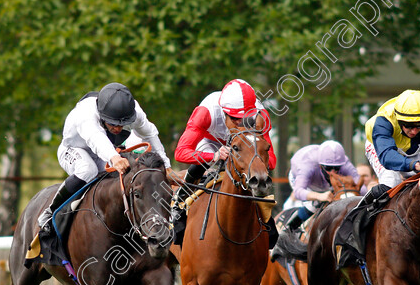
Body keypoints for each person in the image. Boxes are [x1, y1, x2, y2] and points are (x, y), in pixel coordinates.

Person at [36, 82, 171, 233]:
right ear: (101, 115)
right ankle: (50, 212)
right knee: (88, 170)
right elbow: (96, 139)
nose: (118, 128)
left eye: (122, 124)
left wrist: (166, 166)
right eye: (113, 123)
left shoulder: (134, 112)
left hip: (105, 152)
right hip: (74, 150)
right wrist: (114, 157)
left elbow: (150, 134)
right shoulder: (85, 113)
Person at [171, 79, 277, 241]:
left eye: (246, 118)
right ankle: (179, 206)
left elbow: (271, 162)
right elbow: (181, 153)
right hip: (209, 144)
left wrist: (255, 158)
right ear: (223, 112)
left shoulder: (261, 116)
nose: (241, 124)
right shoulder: (206, 112)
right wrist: (213, 156)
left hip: (243, 149)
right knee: (202, 165)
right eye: (235, 119)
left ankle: (267, 218)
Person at [360, 89, 420, 206]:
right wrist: (413, 164)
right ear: (399, 119)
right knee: (392, 181)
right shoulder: (384, 121)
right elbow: (387, 156)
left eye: (419, 126)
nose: (414, 131)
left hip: (413, 148)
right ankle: (360, 214)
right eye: (408, 125)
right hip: (382, 148)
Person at [282, 140, 363, 234]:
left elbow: (360, 186)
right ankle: (287, 231)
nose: (333, 172)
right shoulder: (307, 166)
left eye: (336, 168)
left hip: (325, 184)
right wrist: (319, 196)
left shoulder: (345, 164)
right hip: (305, 183)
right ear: (320, 166)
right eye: (328, 168)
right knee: (314, 205)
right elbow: (298, 192)